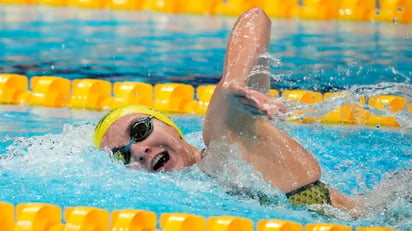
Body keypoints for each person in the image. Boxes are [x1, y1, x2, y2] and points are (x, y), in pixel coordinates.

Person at [94, 8, 360, 214]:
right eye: (122, 156)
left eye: (140, 131)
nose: (138, 152)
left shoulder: (225, 144)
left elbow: (255, 18)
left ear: (170, 126)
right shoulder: (193, 194)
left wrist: (234, 80)